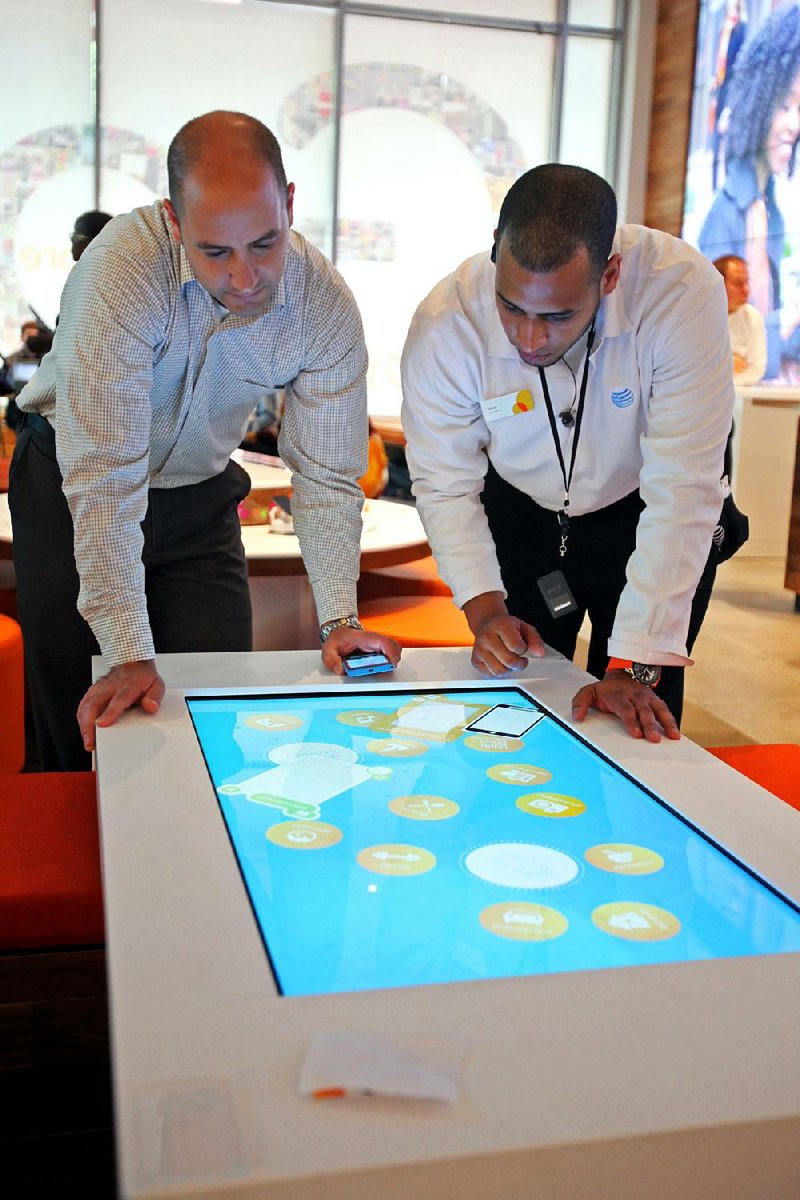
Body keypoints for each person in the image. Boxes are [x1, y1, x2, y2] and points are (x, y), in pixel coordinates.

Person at [10, 110, 399, 771]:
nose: (246, 277)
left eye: (266, 244)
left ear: (291, 203)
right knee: (84, 717)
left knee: (219, 713)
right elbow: (104, 480)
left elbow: (329, 477)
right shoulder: (119, 275)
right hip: (70, 486)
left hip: (200, 499)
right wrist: (128, 653)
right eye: (215, 251)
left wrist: (339, 620)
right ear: (173, 219)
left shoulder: (323, 305)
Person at [401, 164, 734, 743]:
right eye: (511, 308)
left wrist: (632, 667)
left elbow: (683, 488)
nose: (529, 340)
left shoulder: (680, 293)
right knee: (513, 705)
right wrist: (484, 613)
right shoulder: (446, 324)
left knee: (634, 718)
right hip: (524, 515)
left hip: (643, 513)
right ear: (494, 257)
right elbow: (445, 482)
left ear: (609, 276)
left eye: (556, 317)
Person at [699, 2, 800, 379]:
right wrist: (786, 325)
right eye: (785, 105)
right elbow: (714, 341)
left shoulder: (772, 209)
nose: (793, 124)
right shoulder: (726, 216)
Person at [713, 254, 766, 386]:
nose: (745, 289)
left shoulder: (753, 316)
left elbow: (757, 370)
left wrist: (721, 382)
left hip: (739, 398)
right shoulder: (695, 316)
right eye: (737, 283)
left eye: (747, 282)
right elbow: (693, 367)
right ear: (717, 284)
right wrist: (729, 362)